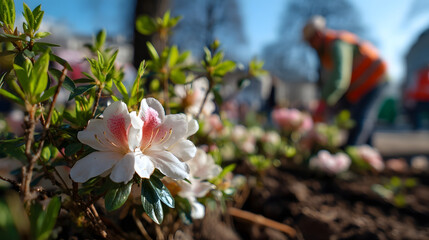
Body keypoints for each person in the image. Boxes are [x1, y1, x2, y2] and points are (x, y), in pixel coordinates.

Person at [302, 15, 388, 146]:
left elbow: (340, 78)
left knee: (360, 117)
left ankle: (350, 150)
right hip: (359, 86)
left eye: (311, 41)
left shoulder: (338, 44)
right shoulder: (324, 53)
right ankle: (367, 151)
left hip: (375, 78)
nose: (310, 46)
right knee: (359, 118)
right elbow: (327, 80)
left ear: (318, 34)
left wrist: (324, 102)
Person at [404, 65, 429, 130]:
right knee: (411, 109)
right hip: (419, 99)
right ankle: (417, 126)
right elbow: (412, 88)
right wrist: (410, 98)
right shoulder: (418, 76)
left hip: (427, 99)